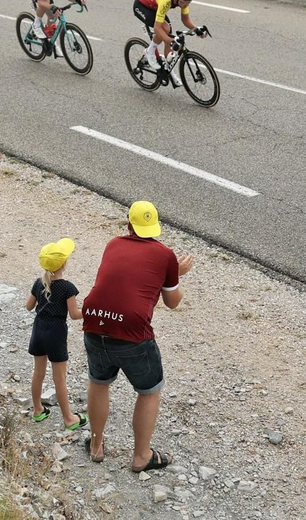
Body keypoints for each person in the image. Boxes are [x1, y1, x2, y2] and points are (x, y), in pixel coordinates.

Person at [82, 200, 194, 472]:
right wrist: (176, 274)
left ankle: (96, 446)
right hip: (132, 332)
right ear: (155, 226)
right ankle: (142, 455)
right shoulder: (165, 254)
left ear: (128, 223)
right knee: (149, 391)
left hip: (94, 321)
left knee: (99, 382)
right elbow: (172, 302)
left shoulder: (113, 244)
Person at [25, 238, 87, 431]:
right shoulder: (68, 288)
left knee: (38, 373)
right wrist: (90, 309)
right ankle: (69, 418)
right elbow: (75, 315)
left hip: (39, 330)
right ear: (64, 264)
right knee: (59, 378)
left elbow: (29, 306)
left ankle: (37, 410)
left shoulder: (39, 283)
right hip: (56, 334)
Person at [132, 0, 206, 82]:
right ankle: (150, 51)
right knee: (165, 30)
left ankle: (168, 69)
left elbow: (185, 19)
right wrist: (170, 42)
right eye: (185, 2)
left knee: (169, 33)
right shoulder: (165, 0)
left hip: (154, 5)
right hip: (142, 5)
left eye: (189, 2)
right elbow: (157, 28)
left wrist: (196, 30)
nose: (187, 4)